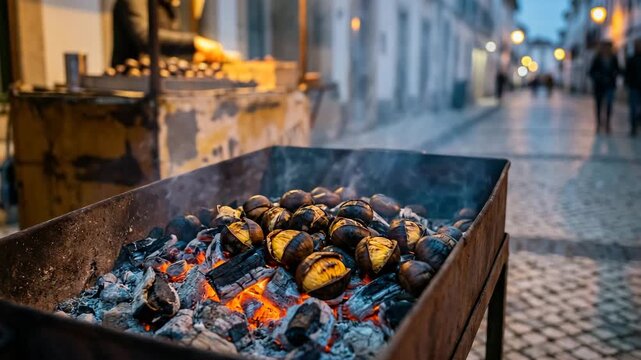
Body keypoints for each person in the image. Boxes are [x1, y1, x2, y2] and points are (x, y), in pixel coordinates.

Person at [111, 0, 223, 66]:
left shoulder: (167, 6)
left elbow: (167, 48)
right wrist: (195, 42)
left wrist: (195, 57)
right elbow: (144, 37)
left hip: (159, 84)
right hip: (132, 89)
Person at [589, 41, 620, 134]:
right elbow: (591, 71)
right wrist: (598, 77)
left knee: (609, 105)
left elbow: (618, 69)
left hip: (610, 85)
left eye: (608, 47)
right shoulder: (597, 58)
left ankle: (607, 123)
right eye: (604, 47)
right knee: (599, 105)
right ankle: (598, 123)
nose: (606, 49)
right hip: (599, 86)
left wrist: (614, 74)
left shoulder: (614, 58)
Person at [625, 39, 641, 136]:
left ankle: (637, 122)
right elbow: (627, 73)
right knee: (633, 107)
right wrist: (628, 83)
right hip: (634, 87)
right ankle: (633, 126)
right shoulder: (631, 59)